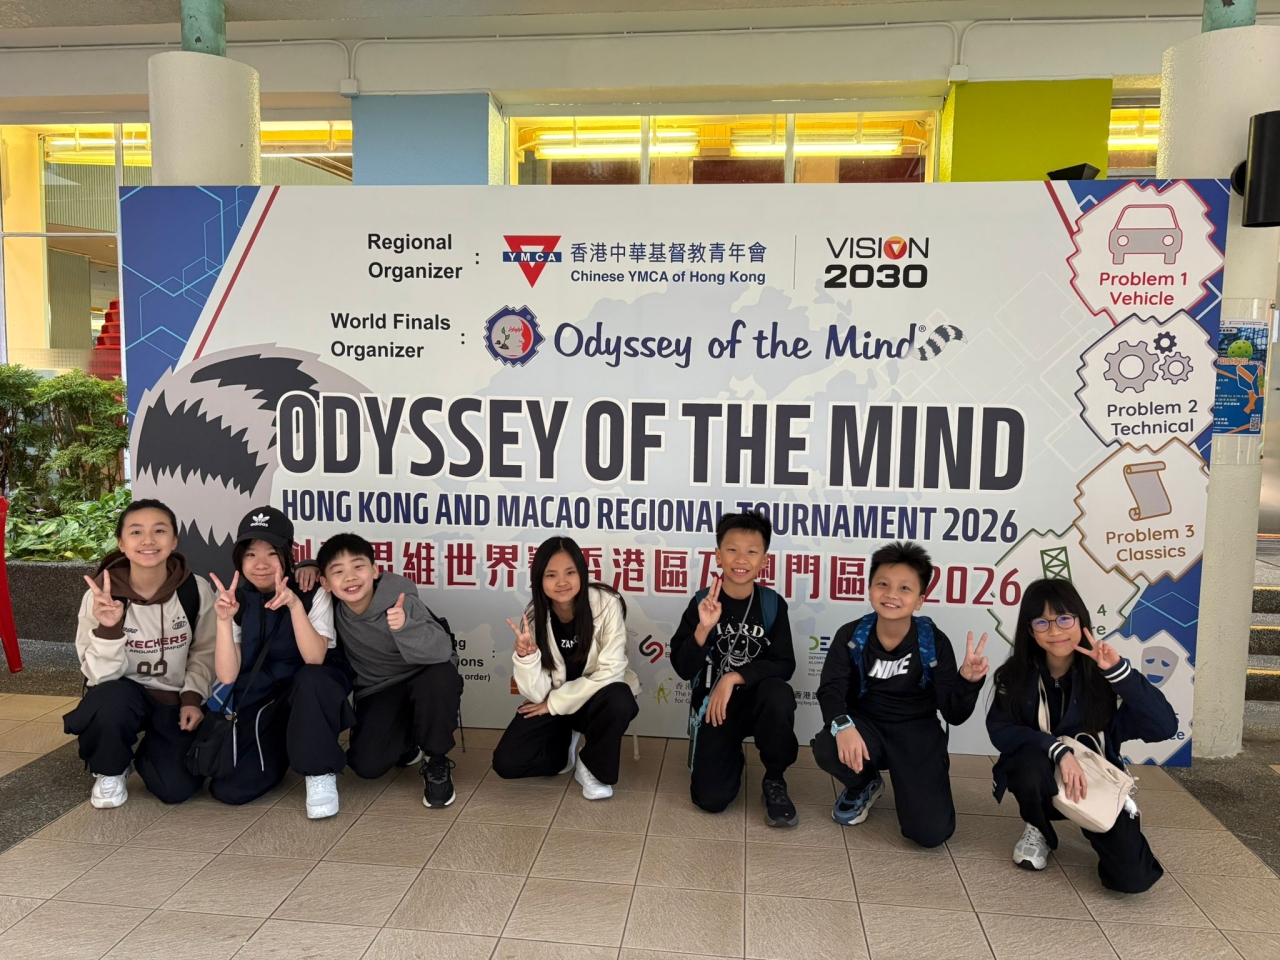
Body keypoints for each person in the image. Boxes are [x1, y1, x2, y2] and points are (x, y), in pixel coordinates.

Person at [987, 577, 1176, 893]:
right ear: (1030, 630)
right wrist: (1058, 751)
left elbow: (1164, 727)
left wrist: (1120, 673)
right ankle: (1039, 824)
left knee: (1132, 879)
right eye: (1042, 622)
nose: (1055, 631)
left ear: (1081, 620)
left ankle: (1112, 817)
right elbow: (1002, 732)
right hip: (1041, 773)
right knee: (1026, 765)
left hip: (1093, 780)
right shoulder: (1015, 675)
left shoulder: (1105, 677)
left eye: (1064, 618)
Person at [811, 541, 988, 846]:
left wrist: (967, 681)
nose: (892, 594)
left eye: (905, 588)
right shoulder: (851, 636)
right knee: (828, 745)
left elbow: (954, 714)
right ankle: (865, 783)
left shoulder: (934, 643)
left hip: (917, 732)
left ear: (919, 601)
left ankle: (914, 782)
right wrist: (842, 725)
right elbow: (831, 689)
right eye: (883, 584)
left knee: (930, 833)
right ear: (870, 590)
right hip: (866, 725)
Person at [64, 498, 216, 808]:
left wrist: (192, 698)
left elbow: (205, 651)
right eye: (136, 532)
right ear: (121, 543)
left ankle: (152, 752)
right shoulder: (101, 596)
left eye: (159, 531)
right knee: (109, 701)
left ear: (174, 540)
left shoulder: (194, 590)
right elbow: (98, 676)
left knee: (175, 789)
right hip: (121, 695)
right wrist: (109, 628)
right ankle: (110, 769)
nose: (148, 540)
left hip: (172, 700)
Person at [205, 507, 353, 817]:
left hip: (310, 692)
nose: (260, 564)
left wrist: (295, 605)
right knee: (231, 790)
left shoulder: (311, 590)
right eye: (250, 554)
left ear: (288, 554)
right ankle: (285, 747)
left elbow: (315, 658)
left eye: (271, 553)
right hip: (263, 700)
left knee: (312, 678)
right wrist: (224, 620)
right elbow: (228, 676)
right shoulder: (235, 600)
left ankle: (319, 771)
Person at [670, 510, 798, 826]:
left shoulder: (772, 604)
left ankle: (774, 777)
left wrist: (734, 677)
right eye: (732, 550)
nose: (741, 559)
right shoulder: (702, 602)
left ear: (764, 560)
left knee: (778, 694)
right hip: (715, 707)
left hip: (758, 700)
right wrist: (703, 628)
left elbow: (784, 664)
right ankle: (730, 754)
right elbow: (683, 668)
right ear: (718, 556)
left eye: (751, 552)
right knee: (710, 800)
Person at [318, 533, 463, 808]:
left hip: (424, 675)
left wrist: (406, 627)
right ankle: (408, 742)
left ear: (375, 570)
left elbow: (442, 651)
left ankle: (435, 759)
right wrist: (305, 567)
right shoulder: (331, 606)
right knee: (366, 766)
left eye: (358, 566)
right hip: (380, 688)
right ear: (325, 583)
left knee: (440, 679)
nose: (350, 577)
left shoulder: (402, 600)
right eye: (338, 571)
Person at [492, 536, 641, 800]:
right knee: (507, 763)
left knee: (620, 699)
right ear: (539, 579)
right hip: (554, 701)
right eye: (551, 575)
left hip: (593, 701)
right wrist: (527, 658)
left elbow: (612, 671)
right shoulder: (533, 617)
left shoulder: (607, 603)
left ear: (582, 573)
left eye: (570, 572)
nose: (561, 582)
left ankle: (591, 766)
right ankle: (563, 752)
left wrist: (554, 704)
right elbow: (535, 693)